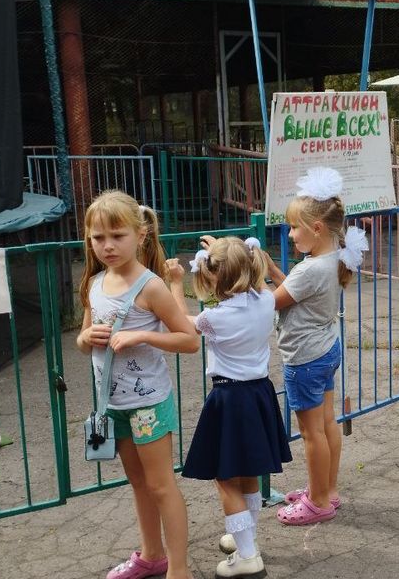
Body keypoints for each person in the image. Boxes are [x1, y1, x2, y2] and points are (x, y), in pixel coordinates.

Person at [76, 191, 199, 579]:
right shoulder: (94, 284)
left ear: (140, 234)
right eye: (98, 238)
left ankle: (178, 569)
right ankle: (151, 555)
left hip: (149, 405)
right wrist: (86, 339)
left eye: (117, 235)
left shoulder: (151, 287)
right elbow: (82, 340)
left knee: (161, 486)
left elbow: (190, 341)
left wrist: (142, 338)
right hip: (112, 405)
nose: (107, 246)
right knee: (138, 483)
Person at [165, 236, 292, 578]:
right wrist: (225, 248)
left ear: (213, 278)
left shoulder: (214, 317)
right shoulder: (265, 299)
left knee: (225, 478)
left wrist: (176, 283)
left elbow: (179, 318)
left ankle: (248, 556)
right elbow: (245, 269)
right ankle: (245, 539)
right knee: (248, 472)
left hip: (229, 398)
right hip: (259, 393)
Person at [264, 167, 367, 526]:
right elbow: (294, 291)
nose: (291, 234)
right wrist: (273, 269)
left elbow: (273, 302)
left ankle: (318, 501)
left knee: (311, 433)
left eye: (295, 227)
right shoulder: (330, 259)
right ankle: (328, 490)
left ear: (317, 229)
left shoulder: (309, 270)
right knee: (327, 425)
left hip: (304, 359)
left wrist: (245, 276)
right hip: (325, 351)